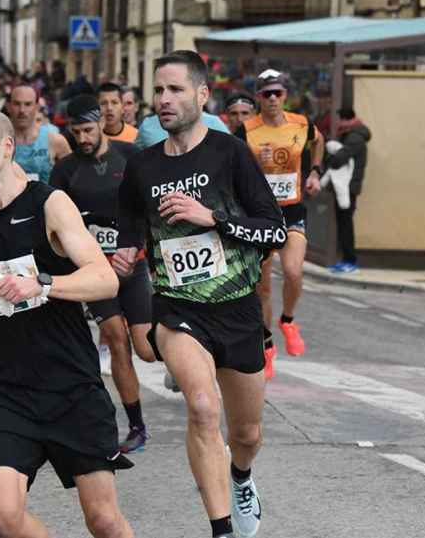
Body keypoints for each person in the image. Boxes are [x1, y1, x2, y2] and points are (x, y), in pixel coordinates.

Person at [115, 50, 286, 538]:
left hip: (237, 308)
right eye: (158, 90)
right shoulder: (142, 167)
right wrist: (125, 259)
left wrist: (212, 217)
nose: (164, 100)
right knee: (202, 407)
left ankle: (241, 475)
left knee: (247, 434)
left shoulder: (230, 153)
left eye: (175, 90)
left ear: (202, 95)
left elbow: (273, 231)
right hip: (177, 309)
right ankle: (221, 530)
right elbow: (129, 238)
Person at [0, 108, 134, 538]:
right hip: (8, 389)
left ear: (8, 146)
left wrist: (43, 284)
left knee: (103, 520)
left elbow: (104, 278)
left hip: (71, 385)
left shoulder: (50, 203)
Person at [50, 94, 155, 454]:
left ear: (102, 125)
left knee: (146, 347)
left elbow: (148, 207)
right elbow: (57, 225)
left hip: (133, 263)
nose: (82, 138)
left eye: (88, 130)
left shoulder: (129, 157)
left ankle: (178, 364)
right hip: (96, 271)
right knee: (114, 337)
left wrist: (136, 247)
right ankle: (137, 425)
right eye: (76, 131)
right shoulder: (65, 170)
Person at [235, 68, 324, 376]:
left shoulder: (301, 124)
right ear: (258, 97)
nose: (272, 99)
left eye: (277, 93)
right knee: (261, 288)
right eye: (265, 94)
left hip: (292, 210)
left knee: (293, 271)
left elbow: (318, 142)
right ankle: (267, 345)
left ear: (286, 95)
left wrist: (314, 173)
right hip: (259, 215)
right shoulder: (247, 130)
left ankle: (287, 320)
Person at [324, 107, 371, 274]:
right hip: (346, 186)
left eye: (341, 119)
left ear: (346, 120)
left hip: (348, 187)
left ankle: (350, 261)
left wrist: (329, 157)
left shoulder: (354, 138)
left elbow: (338, 160)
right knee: (344, 223)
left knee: (345, 225)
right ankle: (346, 260)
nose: (338, 123)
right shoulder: (351, 135)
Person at [7, 84, 71, 182]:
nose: (22, 110)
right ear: (8, 106)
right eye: (17, 104)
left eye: (28, 104)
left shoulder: (55, 140)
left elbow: (72, 179)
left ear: (37, 107)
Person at [135, 109, 230, 150]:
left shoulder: (214, 123)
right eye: (159, 90)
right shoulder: (148, 126)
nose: (165, 98)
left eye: (176, 90)